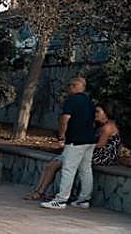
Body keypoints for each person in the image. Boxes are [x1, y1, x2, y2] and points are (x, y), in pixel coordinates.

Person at [26, 103, 121, 202]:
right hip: (90, 152)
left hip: (102, 156)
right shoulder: (99, 125)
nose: (95, 114)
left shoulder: (107, 127)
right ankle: (39, 191)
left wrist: (81, 144)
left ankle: (43, 193)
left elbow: (100, 145)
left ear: (106, 113)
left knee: (57, 164)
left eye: (98, 112)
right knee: (50, 165)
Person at [41, 76, 98, 210]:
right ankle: (84, 199)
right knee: (86, 169)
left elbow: (65, 119)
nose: (69, 88)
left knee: (68, 169)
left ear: (76, 86)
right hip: (90, 140)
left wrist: (61, 136)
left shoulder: (71, 100)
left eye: (71, 86)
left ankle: (61, 200)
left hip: (75, 140)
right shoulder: (90, 102)